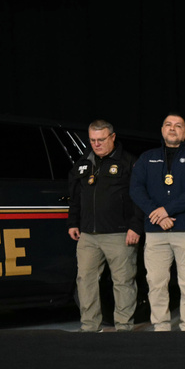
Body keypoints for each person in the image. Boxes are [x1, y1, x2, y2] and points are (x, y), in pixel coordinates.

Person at [130, 112, 185, 331]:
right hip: (155, 233)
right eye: (168, 124)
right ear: (162, 130)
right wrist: (155, 212)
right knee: (156, 284)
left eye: (178, 125)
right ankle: (161, 329)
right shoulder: (147, 157)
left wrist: (166, 210)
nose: (172, 128)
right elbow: (136, 189)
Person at [67, 119, 142, 332]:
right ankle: (90, 326)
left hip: (119, 234)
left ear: (113, 137)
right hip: (88, 235)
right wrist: (73, 222)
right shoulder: (83, 163)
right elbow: (75, 197)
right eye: (92, 140)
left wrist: (136, 227)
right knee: (85, 280)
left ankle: (124, 328)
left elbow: (139, 198)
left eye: (101, 139)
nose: (96, 144)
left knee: (123, 281)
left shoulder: (129, 162)